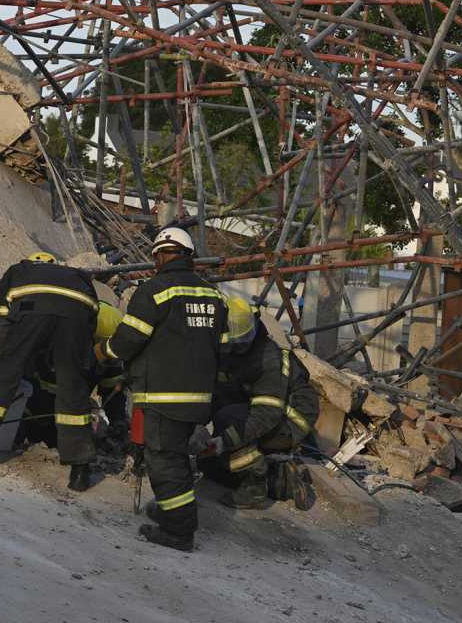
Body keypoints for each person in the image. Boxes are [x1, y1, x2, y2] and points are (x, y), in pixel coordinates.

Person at [0, 252, 104, 491]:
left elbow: (0, 324)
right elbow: (88, 324)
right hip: (78, 311)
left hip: (32, 309)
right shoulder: (75, 277)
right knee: (73, 387)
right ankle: (80, 471)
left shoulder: (17, 272)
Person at [105, 226, 225, 552]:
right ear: (190, 257)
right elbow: (221, 347)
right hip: (200, 398)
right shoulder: (214, 296)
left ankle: (179, 530)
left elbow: (129, 340)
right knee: (176, 458)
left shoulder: (154, 291)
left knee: (164, 463)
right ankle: (173, 511)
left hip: (162, 396)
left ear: (159, 255)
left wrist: (107, 351)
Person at [202, 297, 320, 510]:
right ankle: (278, 475)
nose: (241, 345)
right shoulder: (232, 351)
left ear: (256, 325)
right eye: (236, 341)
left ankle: (257, 487)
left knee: (228, 420)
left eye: (245, 339)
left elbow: (266, 414)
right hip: (267, 412)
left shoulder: (269, 358)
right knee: (211, 467)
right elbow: (217, 393)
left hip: (292, 417)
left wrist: (225, 441)